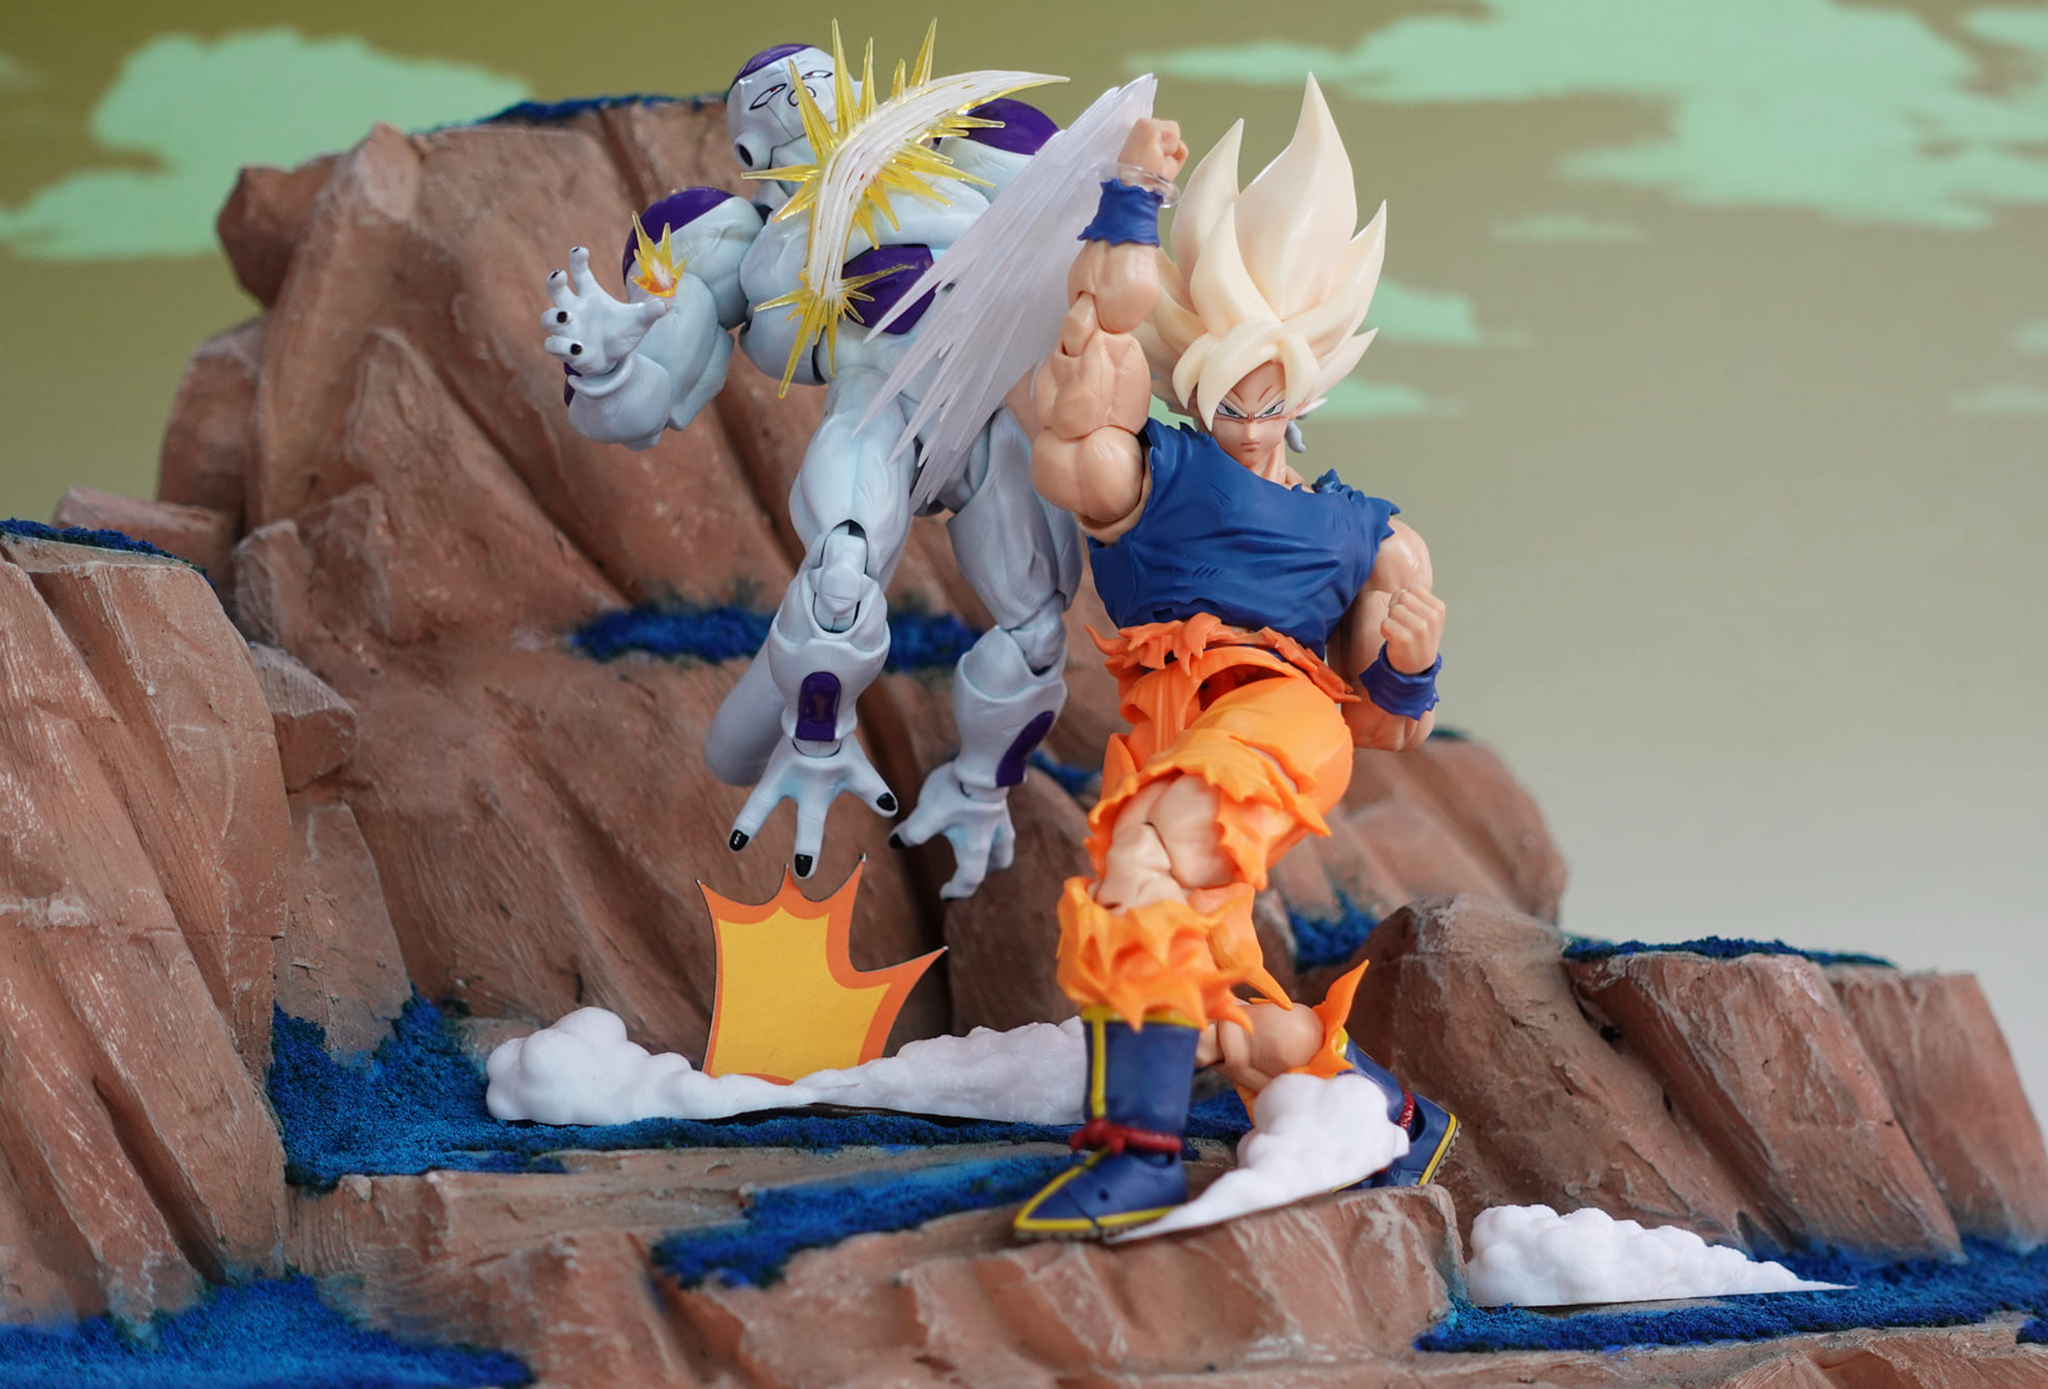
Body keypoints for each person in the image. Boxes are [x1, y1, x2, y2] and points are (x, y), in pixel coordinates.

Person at [1010, 78, 1458, 1238]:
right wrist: (1130, 199)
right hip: (1168, 725)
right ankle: (1388, 1113)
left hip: (1277, 713)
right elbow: (1084, 383)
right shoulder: (1150, 469)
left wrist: (1407, 665)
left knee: (1146, 861)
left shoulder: (1368, 532)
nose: (1256, 388)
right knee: (1197, 986)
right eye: (1230, 358)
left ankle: (1137, 1162)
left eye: (1282, 361)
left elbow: (1387, 723)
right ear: (1191, 358)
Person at [539, 29, 1078, 899]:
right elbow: (648, 399)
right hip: (873, 408)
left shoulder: (964, 152)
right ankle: (816, 741)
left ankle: (980, 789)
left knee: (1039, 630)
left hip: (976, 413)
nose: (808, 110)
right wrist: (605, 363)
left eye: (817, 90)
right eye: (780, 105)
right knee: (841, 572)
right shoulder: (736, 241)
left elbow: (1093, 251)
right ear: (749, 149)